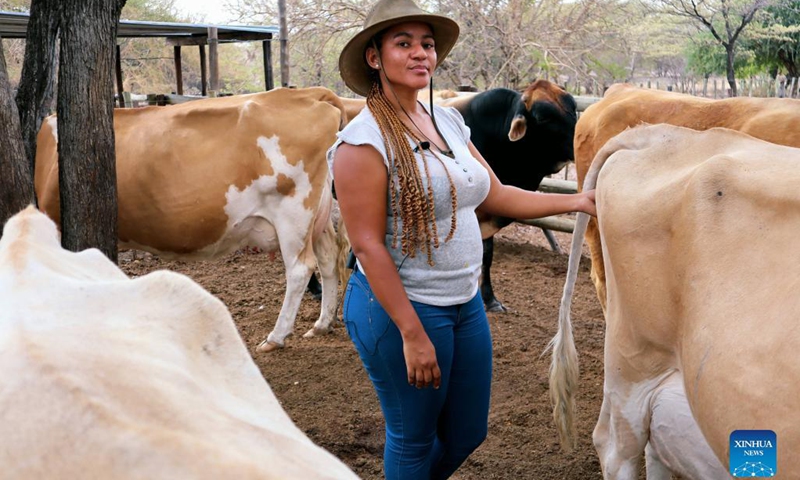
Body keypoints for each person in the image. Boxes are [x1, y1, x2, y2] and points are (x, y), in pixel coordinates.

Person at [327, 0, 596, 478]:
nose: (420, 54)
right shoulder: (361, 143)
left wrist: (578, 202)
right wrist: (411, 332)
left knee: (468, 431)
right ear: (374, 58)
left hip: (464, 300)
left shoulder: (448, 122)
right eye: (403, 43)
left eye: (427, 45)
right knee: (412, 441)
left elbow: (498, 193)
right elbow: (366, 245)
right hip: (403, 309)